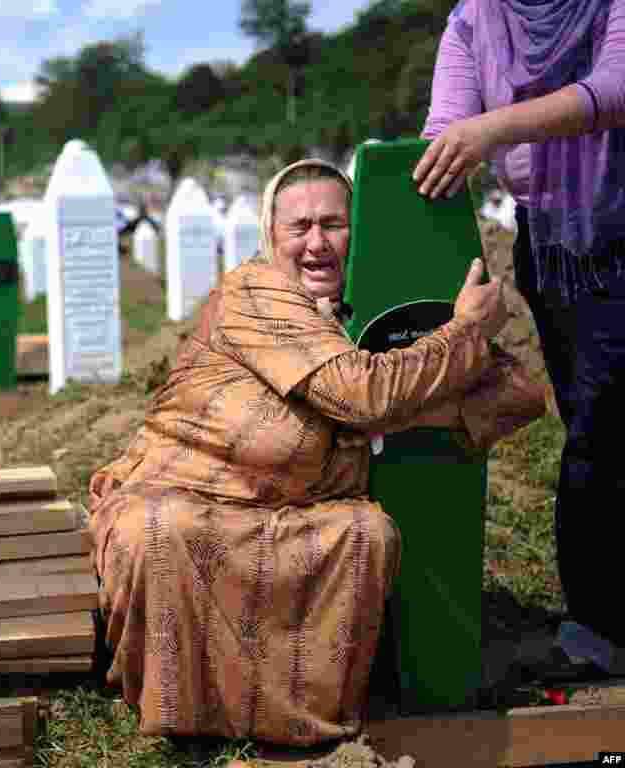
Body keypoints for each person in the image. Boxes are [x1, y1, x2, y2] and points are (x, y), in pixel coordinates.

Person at [87, 159, 545, 746]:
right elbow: (362, 394)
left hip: (297, 510)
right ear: (270, 238)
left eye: (335, 224)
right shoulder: (255, 293)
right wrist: (458, 340)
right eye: (298, 227)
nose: (317, 244)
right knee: (163, 529)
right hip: (186, 489)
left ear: (363, 233)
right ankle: (187, 719)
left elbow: (521, 394)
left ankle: (302, 727)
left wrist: (413, 393)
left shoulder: (364, 311)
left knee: (366, 533)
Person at [415, 0, 625, 678]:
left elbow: (616, 88)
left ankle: (601, 628)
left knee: (606, 424)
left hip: (618, 227)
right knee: (595, 425)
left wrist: (490, 130)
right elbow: (445, 129)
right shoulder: (477, 18)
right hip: (557, 243)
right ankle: (603, 624)